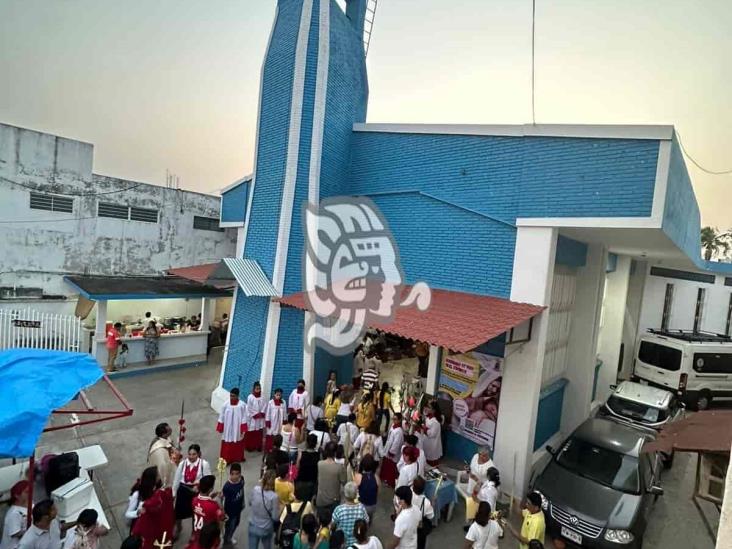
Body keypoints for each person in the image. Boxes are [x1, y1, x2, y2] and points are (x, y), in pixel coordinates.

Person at [173, 445, 212, 538]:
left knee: (196, 514)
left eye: (194, 454)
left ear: (198, 454)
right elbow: (176, 479)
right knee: (178, 513)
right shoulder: (182, 464)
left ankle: (194, 533)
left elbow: (208, 479)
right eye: (190, 454)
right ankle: (178, 528)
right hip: (182, 490)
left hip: (195, 492)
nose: (191, 457)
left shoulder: (204, 464)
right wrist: (173, 493)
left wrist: (199, 486)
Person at [130, 468, 174, 549]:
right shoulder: (161, 496)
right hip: (160, 531)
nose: (160, 476)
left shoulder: (152, 500)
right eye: (158, 475)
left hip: (158, 531)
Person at [190, 475, 225, 546]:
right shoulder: (214, 506)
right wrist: (220, 501)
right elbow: (222, 518)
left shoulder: (194, 500)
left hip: (197, 534)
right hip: (208, 537)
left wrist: (210, 497)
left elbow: (203, 505)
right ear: (211, 489)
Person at [331, 483, 369, 547]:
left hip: (342, 542)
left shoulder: (339, 509)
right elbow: (366, 522)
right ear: (355, 495)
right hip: (357, 542)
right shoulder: (361, 507)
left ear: (345, 494)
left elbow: (332, 525)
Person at [248, 471, 280, 549]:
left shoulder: (255, 489)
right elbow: (275, 517)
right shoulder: (274, 497)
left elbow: (250, 502)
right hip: (266, 528)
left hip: (253, 525)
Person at [464, 446, 495, 525]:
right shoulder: (475, 457)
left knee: (479, 507)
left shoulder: (490, 466)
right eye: (480, 454)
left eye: (484, 455)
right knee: (471, 504)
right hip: (472, 485)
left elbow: (489, 482)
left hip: (481, 489)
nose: (481, 457)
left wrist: (477, 481)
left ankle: (477, 524)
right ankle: (471, 522)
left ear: (489, 455)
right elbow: (471, 468)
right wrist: (468, 470)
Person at [217, 388, 248, 463]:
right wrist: (220, 426)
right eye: (230, 396)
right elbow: (222, 416)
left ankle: (238, 458)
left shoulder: (242, 405)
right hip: (227, 428)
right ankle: (226, 459)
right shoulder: (225, 405)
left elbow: (244, 417)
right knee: (227, 442)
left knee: (238, 441)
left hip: (237, 428)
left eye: (233, 396)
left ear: (237, 396)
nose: (231, 398)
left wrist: (243, 428)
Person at [316, 442, 347, 514]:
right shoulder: (339, 467)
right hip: (333, 501)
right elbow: (344, 482)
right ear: (336, 453)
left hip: (321, 499)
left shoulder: (319, 464)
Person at [126, 467, 158, 533]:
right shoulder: (137, 495)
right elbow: (128, 514)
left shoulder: (158, 488)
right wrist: (138, 512)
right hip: (141, 526)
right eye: (158, 475)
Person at [221, 463, 245, 546]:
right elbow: (223, 500)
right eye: (232, 474)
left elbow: (242, 491)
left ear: (240, 474)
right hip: (230, 512)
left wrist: (243, 502)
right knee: (229, 527)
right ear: (230, 473)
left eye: (237, 474)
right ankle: (227, 540)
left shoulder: (241, 480)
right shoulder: (227, 487)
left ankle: (229, 537)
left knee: (236, 524)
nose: (234, 476)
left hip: (238, 509)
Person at [1, 481, 29, 549]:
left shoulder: (30, 504)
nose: (30, 493)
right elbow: (15, 533)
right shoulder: (14, 513)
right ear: (17, 495)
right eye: (26, 492)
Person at [147, 423, 175, 488]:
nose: (171, 429)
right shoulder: (159, 450)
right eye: (169, 429)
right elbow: (162, 467)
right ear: (163, 434)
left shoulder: (165, 438)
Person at [353, 455, 379, 522]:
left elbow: (354, 492)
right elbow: (377, 493)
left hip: (362, 506)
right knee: (369, 519)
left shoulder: (358, 476)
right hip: (373, 505)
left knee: (359, 522)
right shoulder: (376, 478)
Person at [380, 413, 404, 488]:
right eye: (393, 419)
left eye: (395, 419)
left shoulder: (399, 431)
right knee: (386, 465)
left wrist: (392, 452)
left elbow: (396, 443)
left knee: (391, 468)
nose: (394, 421)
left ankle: (390, 482)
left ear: (399, 420)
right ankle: (385, 478)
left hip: (393, 452)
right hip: (388, 448)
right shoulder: (393, 426)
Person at [295, 434, 320, 503]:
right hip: (312, 482)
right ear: (315, 444)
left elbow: (297, 467)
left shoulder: (301, 454)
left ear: (306, 443)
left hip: (301, 481)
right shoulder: (318, 456)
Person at [411, 477, 434, 549]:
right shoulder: (426, 502)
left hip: (409, 524)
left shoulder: (408, 494)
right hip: (419, 527)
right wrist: (433, 504)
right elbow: (431, 516)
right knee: (420, 544)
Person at [247, 382, 267, 453]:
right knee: (252, 433)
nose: (258, 390)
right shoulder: (250, 397)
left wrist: (262, 412)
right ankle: (251, 447)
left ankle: (259, 446)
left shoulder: (263, 396)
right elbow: (249, 408)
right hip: (253, 419)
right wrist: (255, 414)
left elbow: (265, 405)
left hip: (260, 418)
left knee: (259, 433)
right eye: (257, 389)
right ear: (254, 389)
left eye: (259, 388)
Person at [265, 388, 286, 452]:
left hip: (279, 422)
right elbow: (268, 412)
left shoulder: (283, 402)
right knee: (271, 434)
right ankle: (269, 448)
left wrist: (284, 420)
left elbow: (285, 411)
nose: (278, 396)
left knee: (278, 435)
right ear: (274, 394)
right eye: (277, 395)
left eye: (279, 395)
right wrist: (268, 421)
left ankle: (277, 448)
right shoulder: (270, 402)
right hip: (272, 422)